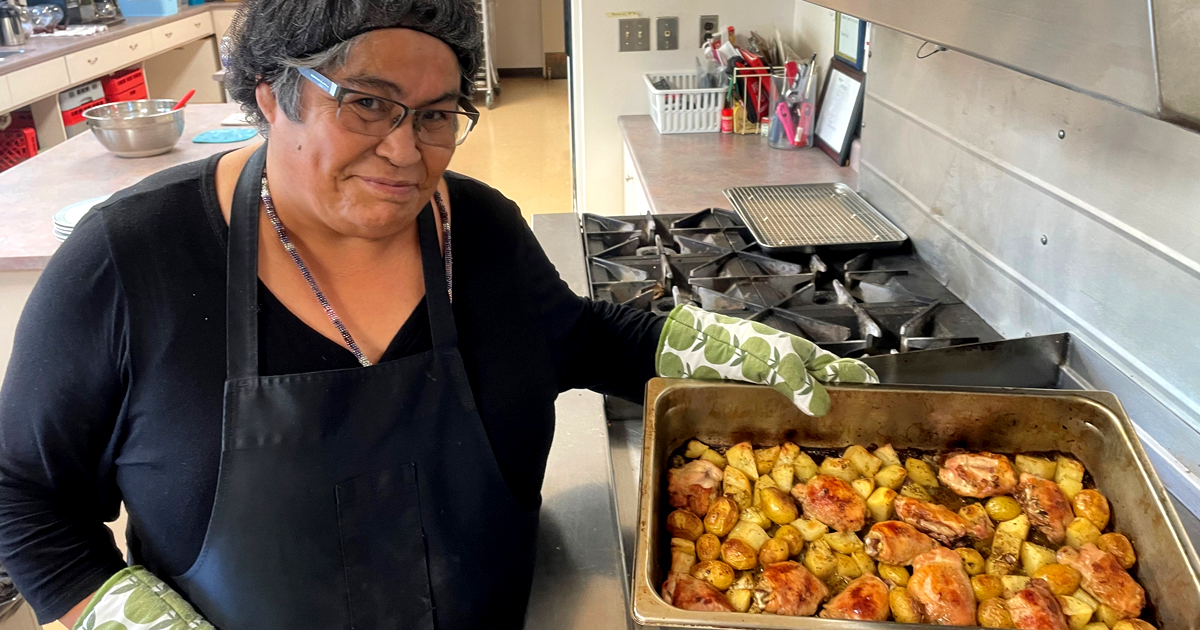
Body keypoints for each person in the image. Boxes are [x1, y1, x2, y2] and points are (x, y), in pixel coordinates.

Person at [0, 1, 875, 628]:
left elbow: (570, 340)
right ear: (271, 94)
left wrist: (708, 340)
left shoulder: (480, 230)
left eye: (436, 115)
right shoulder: (128, 264)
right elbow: (23, 497)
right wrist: (107, 611)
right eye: (368, 102)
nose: (404, 150)